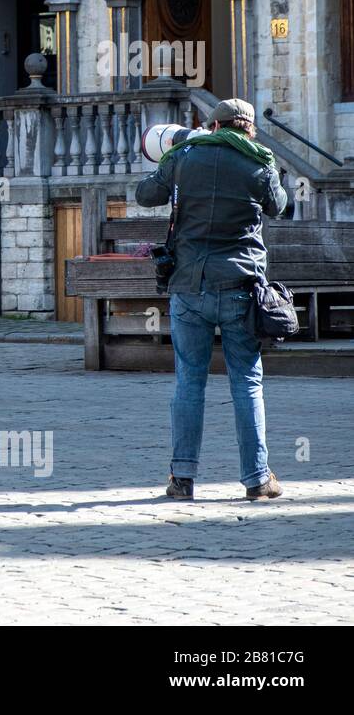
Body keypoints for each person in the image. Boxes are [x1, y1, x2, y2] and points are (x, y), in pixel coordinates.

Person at [136, 99, 288, 501]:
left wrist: (173, 153)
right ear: (249, 129)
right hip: (240, 287)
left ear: (213, 124)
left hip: (188, 285)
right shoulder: (259, 162)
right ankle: (257, 479)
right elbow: (279, 205)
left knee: (189, 381)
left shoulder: (185, 156)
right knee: (247, 382)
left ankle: (182, 478)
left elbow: (145, 194)